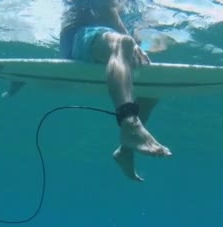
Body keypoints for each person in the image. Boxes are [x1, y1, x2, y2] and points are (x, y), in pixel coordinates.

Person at [60, 0, 172, 182]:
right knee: (125, 43)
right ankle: (129, 123)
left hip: (105, 41)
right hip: (78, 37)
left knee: (154, 85)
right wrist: (131, 44)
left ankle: (125, 151)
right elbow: (105, 9)